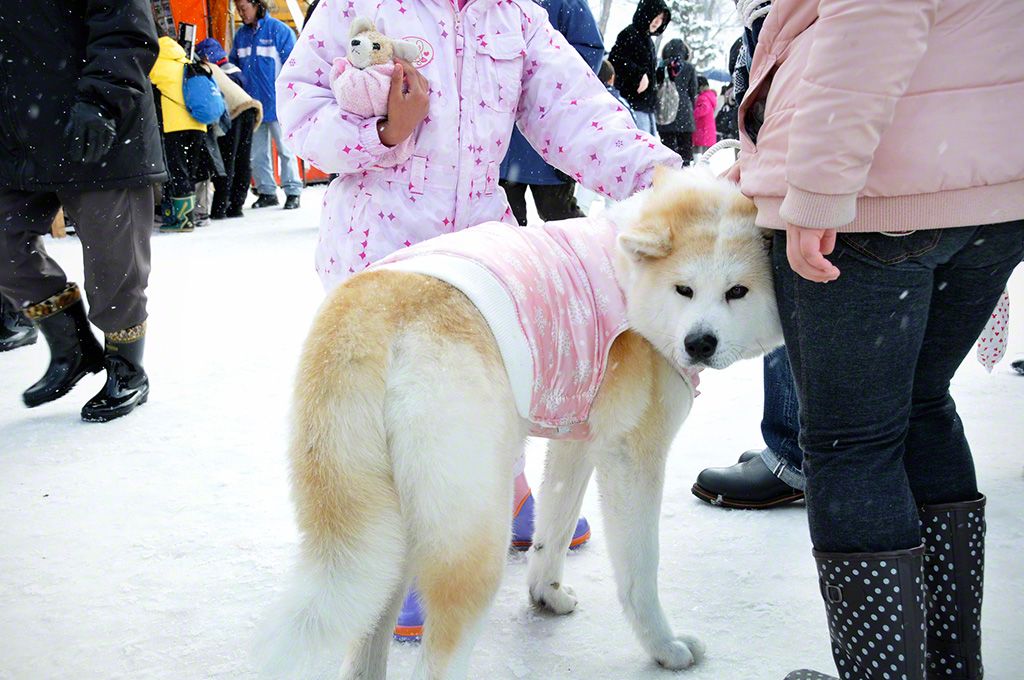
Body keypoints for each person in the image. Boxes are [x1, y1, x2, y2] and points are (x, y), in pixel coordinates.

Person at [278, 0, 680, 644]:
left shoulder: (515, 15)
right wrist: (384, 131)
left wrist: (666, 181)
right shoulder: (361, 6)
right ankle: (414, 548)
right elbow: (298, 113)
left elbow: (576, 110)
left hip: (482, 255)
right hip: (381, 254)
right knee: (403, 411)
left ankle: (509, 494)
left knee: (491, 388)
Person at [733, 1, 1024, 678]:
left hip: (874, 199)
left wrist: (815, 190)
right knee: (922, 406)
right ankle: (947, 668)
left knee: (851, 442)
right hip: (994, 192)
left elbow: (875, 12)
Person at [0, 0, 165, 422]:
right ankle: (71, 345)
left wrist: (101, 100)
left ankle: (126, 367)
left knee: (114, 261)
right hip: (19, 130)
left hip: (99, 125)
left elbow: (126, 27)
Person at [498, 0, 604, 226]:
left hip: (551, 128)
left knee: (557, 212)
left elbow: (590, 49)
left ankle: (589, 257)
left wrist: (550, 81)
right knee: (505, 219)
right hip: (505, 137)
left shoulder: (568, 3)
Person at [231, 0, 301, 210]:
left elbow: (293, 66)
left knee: (286, 150)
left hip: (279, 104)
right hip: (254, 105)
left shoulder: (280, 31)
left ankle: (293, 191)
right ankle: (267, 191)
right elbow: (234, 66)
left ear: (256, 5)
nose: (241, 13)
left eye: (243, 8)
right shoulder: (241, 36)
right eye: (238, 9)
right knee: (258, 152)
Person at [149, 27, 212, 233]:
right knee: (189, 172)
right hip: (197, 123)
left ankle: (184, 221)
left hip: (173, 125)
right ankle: (187, 215)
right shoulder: (184, 60)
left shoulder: (155, 63)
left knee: (177, 171)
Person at [196, 38, 263, 220]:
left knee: (226, 159)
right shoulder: (230, 69)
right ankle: (236, 205)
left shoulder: (203, 69)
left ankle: (220, 208)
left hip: (233, 112)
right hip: (250, 107)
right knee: (242, 158)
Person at [608, 0, 672, 137]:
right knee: (641, 148)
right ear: (646, 13)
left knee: (648, 147)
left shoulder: (647, 39)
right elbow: (615, 59)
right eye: (655, 16)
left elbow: (648, 71)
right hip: (632, 102)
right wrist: (639, 75)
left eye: (661, 18)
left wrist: (663, 73)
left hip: (645, 105)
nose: (657, 21)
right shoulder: (629, 34)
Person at [656, 39, 698, 165]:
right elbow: (693, 91)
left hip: (665, 111)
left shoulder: (662, 65)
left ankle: (668, 176)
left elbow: (657, 85)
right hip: (684, 112)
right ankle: (684, 175)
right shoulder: (689, 67)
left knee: (667, 150)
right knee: (684, 151)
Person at [691, 76, 717, 157]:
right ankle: (705, 164)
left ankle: (699, 164)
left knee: (698, 149)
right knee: (706, 151)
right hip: (707, 127)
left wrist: (692, 113)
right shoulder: (710, 95)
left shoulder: (703, 97)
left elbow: (704, 108)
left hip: (702, 127)